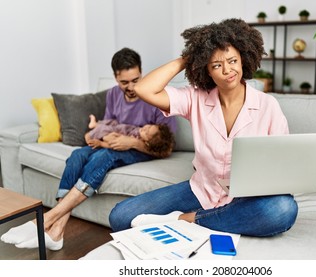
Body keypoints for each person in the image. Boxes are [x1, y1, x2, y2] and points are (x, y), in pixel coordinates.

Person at [108, 19, 298, 237]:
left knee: (283, 210)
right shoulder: (195, 98)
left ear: (243, 59)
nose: (228, 70)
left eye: (232, 60)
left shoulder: (267, 106)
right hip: (202, 189)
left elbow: (282, 166)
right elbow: (143, 89)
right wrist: (191, 57)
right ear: (206, 70)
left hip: (247, 196)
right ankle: (222, 219)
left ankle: (186, 220)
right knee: (120, 217)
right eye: (217, 65)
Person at [1, 47, 176, 250]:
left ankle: (48, 219)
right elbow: (109, 123)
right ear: (115, 77)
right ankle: (57, 231)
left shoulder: (155, 96)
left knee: (104, 156)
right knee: (77, 154)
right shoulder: (113, 94)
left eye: (135, 80)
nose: (130, 87)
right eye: (124, 82)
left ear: (141, 72)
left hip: (141, 150)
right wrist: (96, 135)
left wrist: (134, 143)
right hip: (113, 143)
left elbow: (167, 148)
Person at [87, 114, 175, 158]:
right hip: (120, 127)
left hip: (117, 132)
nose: (145, 129)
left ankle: (93, 130)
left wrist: (101, 144)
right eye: (150, 126)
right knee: (112, 122)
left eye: (147, 133)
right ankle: (96, 124)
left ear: (147, 142)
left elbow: (114, 144)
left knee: (106, 129)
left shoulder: (135, 139)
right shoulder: (140, 131)